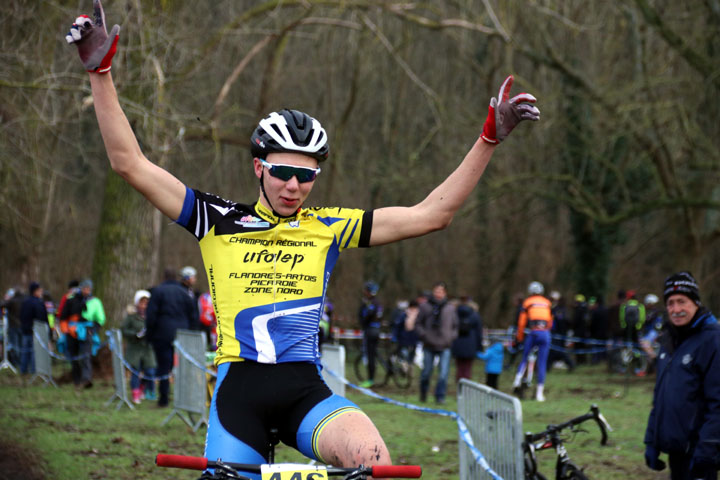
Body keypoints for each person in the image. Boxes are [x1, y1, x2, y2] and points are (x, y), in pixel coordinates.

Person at [66, 3, 539, 472]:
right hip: (239, 396)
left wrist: (488, 140)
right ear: (259, 167)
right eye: (284, 172)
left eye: (306, 176)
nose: (294, 186)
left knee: (374, 462)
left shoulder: (329, 227)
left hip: (305, 393)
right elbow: (130, 163)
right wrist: (100, 74)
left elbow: (433, 214)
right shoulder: (214, 217)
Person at [644, 271, 720, 480]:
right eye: (670, 303)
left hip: (701, 454)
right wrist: (651, 440)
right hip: (676, 452)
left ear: (695, 302)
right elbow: (661, 396)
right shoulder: (668, 341)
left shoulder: (712, 340)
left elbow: (718, 403)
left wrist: (709, 449)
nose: (676, 309)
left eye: (682, 302)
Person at [145, 268, 199, 407]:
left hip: (162, 334)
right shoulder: (185, 293)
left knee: (163, 366)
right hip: (183, 334)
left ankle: (164, 398)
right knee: (183, 366)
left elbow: (151, 316)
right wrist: (193, 332)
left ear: (163, 277)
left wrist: (149, 335)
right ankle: (185, 397)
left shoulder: (157, 292)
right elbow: (193, 315)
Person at [416, 282, 458, 404]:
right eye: (436, 291)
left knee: (443, 374)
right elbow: (418, 324)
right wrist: (424, 335)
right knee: (426, 372)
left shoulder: (450, 308)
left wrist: (451, 337)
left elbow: (456, 326)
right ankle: (423, 394)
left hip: (445, 345)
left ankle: (440, 397)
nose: (438, 294)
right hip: (429, 344)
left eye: (440, 291)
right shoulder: (425, 307)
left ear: (445, 293)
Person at [61, 279, 106, 388]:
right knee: (73, 356)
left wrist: (93, 329)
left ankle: (86, 380)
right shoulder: (71, 300)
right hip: (71, 331)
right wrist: (65, 328)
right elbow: (63, 316)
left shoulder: (95, 302)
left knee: (86, 356)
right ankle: (77, 380)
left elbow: (100, 319)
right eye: (84, 288)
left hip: (87, 331)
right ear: (80, 288)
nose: (86, 290)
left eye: (88, 288)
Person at [512, 281, 552, 402]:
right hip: (545, 333)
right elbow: (550, 321)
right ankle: (540, 393)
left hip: (533, 332)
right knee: (542, 362)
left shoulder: (527, 302)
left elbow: (521, 322)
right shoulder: (547, 303)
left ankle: (517, 380)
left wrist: (519, 337)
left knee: (524, 357)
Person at [121, 290, 157, 403]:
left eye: (146, 303)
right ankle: (135, 393)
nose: (144, 306)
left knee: (150, 371)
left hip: (148, 348)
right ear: (137, 303)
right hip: (135, 348)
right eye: (142, 303)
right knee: (135, 372)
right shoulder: (131, 317)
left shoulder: (152, 316)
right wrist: (135, 335)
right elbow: (124, 330)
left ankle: (146, 390)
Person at [19, 282, 49, 375]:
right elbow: (42, 317)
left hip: (25, 330)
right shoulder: (38, 303)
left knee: (25, 350)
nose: (41, 292)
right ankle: (33, 370)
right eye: (40, 290)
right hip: (35, 330)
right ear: (35, 291)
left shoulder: (25, 302)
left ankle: (23, 370)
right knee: (34, 351)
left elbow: (21, 316)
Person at [451, 297, 483, 383]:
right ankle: (466, 386)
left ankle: (459, 386)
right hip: (471, 345)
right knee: (467, 368)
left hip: (457, 344)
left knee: (459, 367)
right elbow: (479, 332)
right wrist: (479, 347)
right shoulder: (475, 315)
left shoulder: (454, 313)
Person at [358, 281, 383, 388]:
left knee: (370, 356)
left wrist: (363, 322)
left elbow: (366, 316)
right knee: (373, 354)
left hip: (370, 331)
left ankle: (370, 379)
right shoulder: (378, 302)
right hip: (376, 330)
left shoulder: (370, 303)